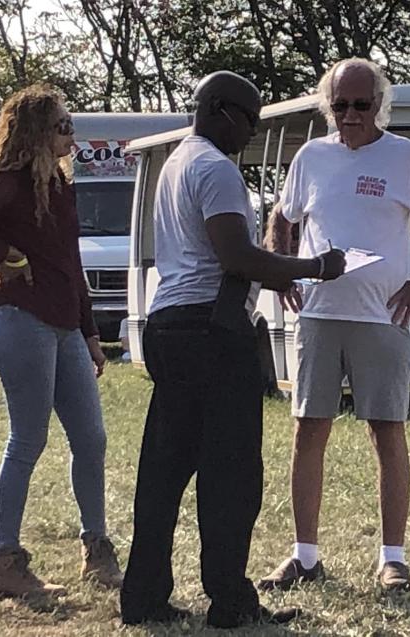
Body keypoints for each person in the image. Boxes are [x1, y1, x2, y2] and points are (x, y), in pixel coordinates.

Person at [119, 70, 345, 627]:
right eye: (248, 119)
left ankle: (143, 596)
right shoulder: (216, 169)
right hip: (213, 333)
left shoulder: (175, 162)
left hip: (167, 323)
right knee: (231, 477)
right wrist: (315, 266)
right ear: (220, 110)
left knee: (164, 473)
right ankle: (230, 602)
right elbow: (237, 258)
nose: (249, 132)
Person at [260, 58, 410, 593]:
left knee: (386, 433)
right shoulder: (310, 156)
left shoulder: (404, 157)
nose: (349, 116)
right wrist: (281, 271)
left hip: (383, 317)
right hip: (319, 318)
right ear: (327, 106)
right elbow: (283, 217)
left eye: (361, 105)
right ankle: (305, 557)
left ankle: (393, 559)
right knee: (309, 431)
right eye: (340, 105)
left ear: (380, 104)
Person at [0, 84, 122, 600]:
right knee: (28, 439)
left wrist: (89, 333)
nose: (72, 134)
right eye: (64, 126)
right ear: (38, 132)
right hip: (22, 322)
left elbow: (71, 261)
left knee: (92, 438)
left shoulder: (61, 186)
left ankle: (97, 550)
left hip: (64, 328)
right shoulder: (11, 183)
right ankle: (6, 562)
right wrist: (2, 255)